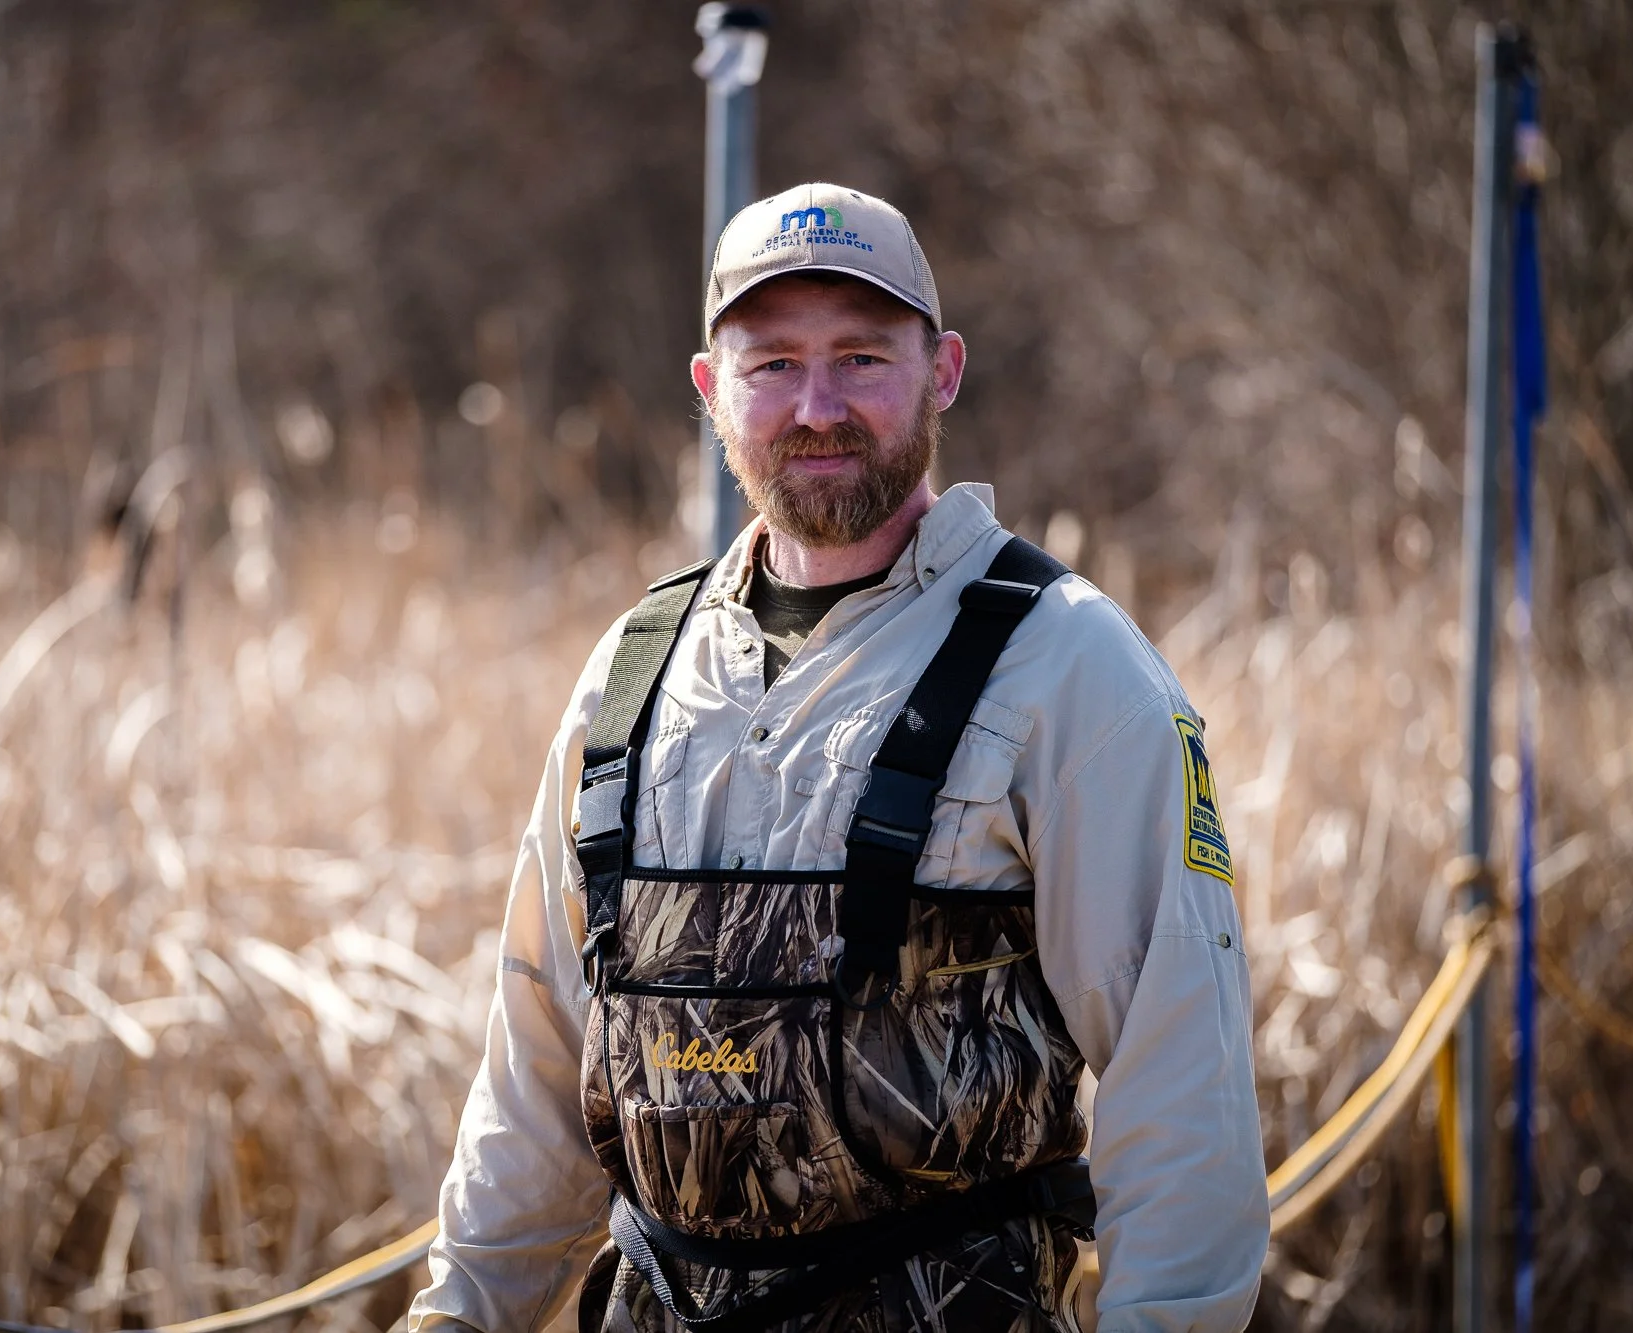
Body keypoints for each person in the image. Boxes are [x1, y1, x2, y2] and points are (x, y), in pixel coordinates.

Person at [407, 183, 1267, 1332]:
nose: (816, 406)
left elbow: (1181, 1093)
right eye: (771, 365)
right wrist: (459, 1314)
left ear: (943, 371)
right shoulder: (633, 672)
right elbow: (536, 1070)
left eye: (861, 357)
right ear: (713, 392)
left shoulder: (1070, 668)